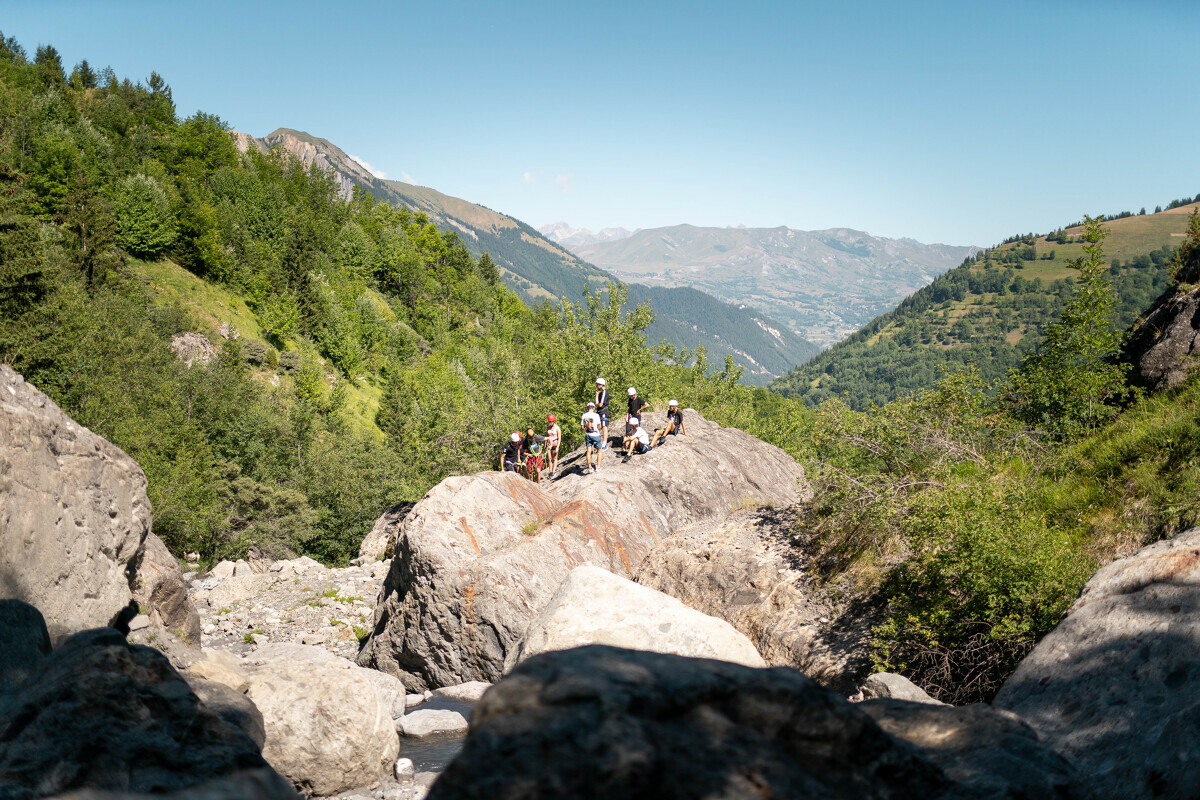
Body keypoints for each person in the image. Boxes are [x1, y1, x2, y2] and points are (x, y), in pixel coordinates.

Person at [623, 387, 651, 453]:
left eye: (631, 396)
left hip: (637, 417)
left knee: (636, 431)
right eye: (630, 396)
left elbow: (647, 405)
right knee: (628, 432)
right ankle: (626, 448)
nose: (631, 397)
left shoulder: (639, 399)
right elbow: (629, 408)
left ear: (634, 394)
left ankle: (634, 445)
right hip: (631, 416)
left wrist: (640, 409)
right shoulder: (630, 399)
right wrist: (627, 416)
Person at [581, 401, 603, 473]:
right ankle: (598, 467)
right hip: (595, 434)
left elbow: (582, 427)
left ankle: (590, 468)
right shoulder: (596, 415)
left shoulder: (584, 416)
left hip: (588, 434)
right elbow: (599, 426)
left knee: (588, 451)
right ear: (593, 408)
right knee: (599, 451)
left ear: (587, 408)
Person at [594, 378, 610, 450]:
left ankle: (604, 444)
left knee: (604, 427)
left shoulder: (604, 392)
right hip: (599, 411)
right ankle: (600, 442)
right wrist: (596, 395)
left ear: (601, 384)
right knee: (598, 426)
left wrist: (597, 404)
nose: (596, 386)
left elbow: (600, 404)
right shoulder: (601, 393)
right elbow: (596, 403)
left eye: (597, 384)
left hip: (603, 411)